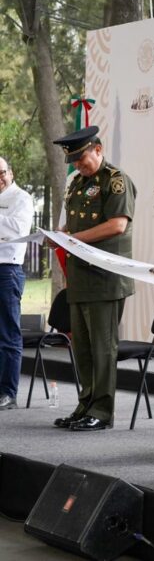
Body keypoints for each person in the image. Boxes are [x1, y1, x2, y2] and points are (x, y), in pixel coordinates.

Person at [51, 126, 137, 431]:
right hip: (80, 277)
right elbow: (71, 225)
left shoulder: (115, 180)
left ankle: (101, 411)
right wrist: (59, 237)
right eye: (74, 162)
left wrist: (73, 240)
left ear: (98, 150)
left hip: (105, 277)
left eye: (83, 159)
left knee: (103, 348)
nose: (79, 166)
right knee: (83, 348)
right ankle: (85, 404)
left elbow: (116, 225)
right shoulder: (76, 183)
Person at [0, 158, 34, 411]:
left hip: (7, 270)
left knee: (8, 334)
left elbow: (17, 229)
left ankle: (8, 392)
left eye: (1, 173)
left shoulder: (21, 198)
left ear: (10, 173)